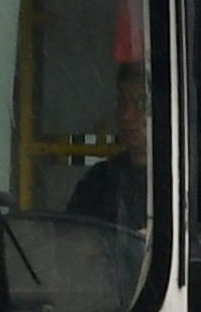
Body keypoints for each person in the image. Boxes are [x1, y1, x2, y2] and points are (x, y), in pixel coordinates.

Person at [65, 62, 153, 227]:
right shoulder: (99, 181)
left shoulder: (184, 181)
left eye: (141, 104)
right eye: (122, 103)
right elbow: (72, 240)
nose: (126, 116)